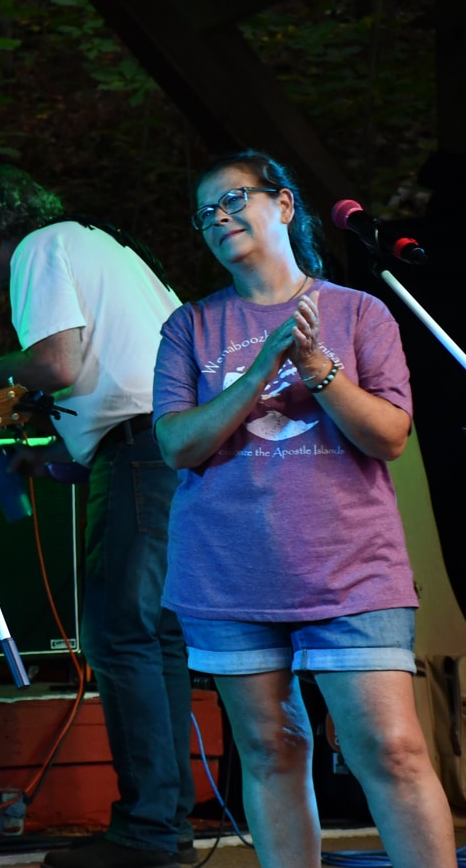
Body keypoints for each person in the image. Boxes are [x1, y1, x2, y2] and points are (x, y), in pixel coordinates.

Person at [152, 151, 454, 868]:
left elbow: (390, 436)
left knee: (392, 748)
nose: (219, 218)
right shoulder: (189, 326)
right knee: (271, 748)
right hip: (228, 572)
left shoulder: (362, 311)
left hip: (352, 567)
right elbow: (177, 445)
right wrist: (261, 369)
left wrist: (318, 368)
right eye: (205, 213)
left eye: (234, 200)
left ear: (284, 204)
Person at [0, 166, 195, 868]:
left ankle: (146, 833)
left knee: (119, 636)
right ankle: (168, 824)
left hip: (140, 456)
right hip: (173, 450)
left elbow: (57, 363)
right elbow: (121, 378)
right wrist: (47, 458)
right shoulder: (110, 247)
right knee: (156, 638)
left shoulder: (39, 248)